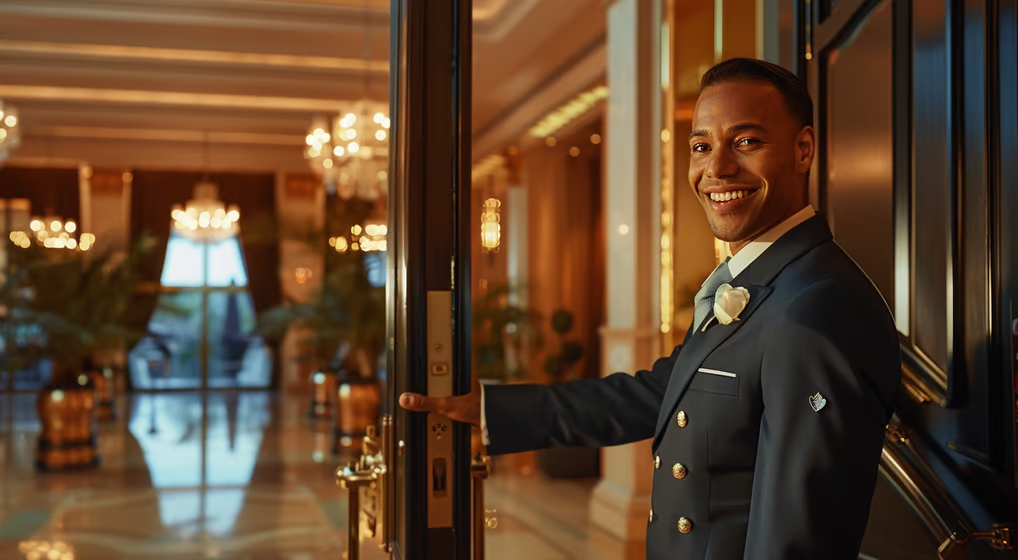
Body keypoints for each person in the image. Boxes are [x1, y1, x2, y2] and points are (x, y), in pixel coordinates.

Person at [400, 58, 900, 559]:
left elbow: (795, 541)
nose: (717, 168)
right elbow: (661, 395)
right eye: (702, 146)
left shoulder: (817, 305)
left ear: (803, 149)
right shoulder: (760, 281)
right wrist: (490, 410)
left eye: (746, 142)